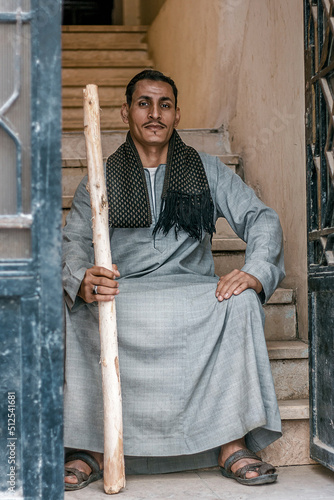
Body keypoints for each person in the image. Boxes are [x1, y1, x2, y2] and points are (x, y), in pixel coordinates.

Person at [63, 69, 285, 491]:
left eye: (164, 105)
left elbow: (262, 218)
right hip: (124, 292)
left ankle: (230, 443)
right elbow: (74, 242)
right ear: (126, 111)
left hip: (192, 293)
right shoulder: (99, 176)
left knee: (238, 301)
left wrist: (255, 270)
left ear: (177, 115)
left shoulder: (207, 169)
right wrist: (83, 278)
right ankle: (90, 448)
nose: (154, 114)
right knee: (77, 303)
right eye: (144, 103)